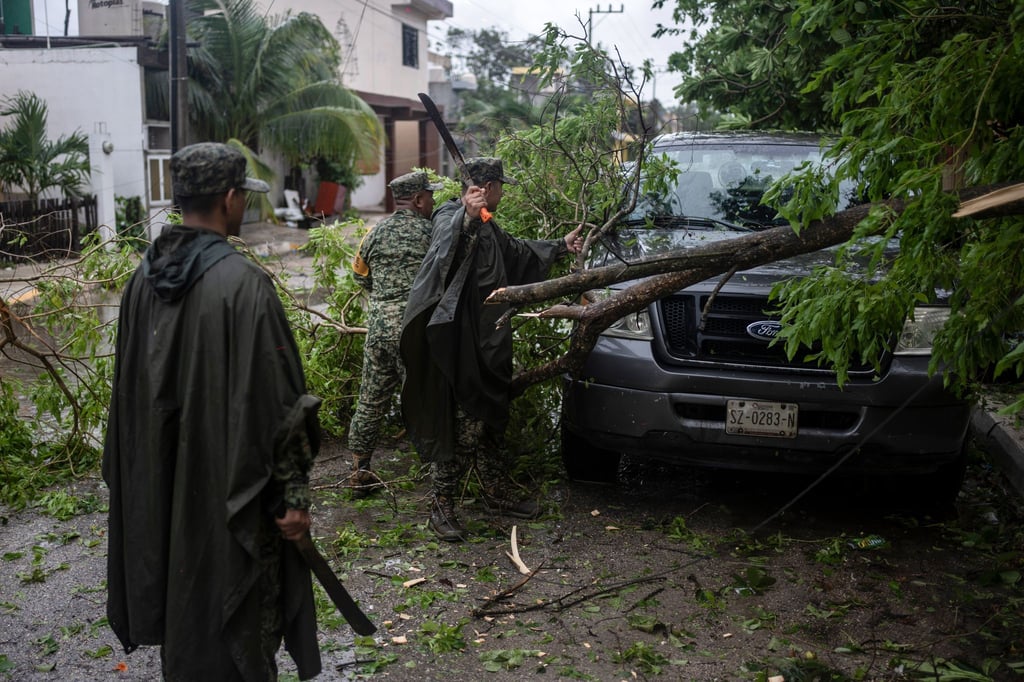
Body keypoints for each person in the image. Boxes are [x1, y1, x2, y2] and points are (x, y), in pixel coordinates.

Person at [103, 142, 322, 681]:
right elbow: (282, 408)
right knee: (242, 619)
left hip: (168, 490)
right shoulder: (244, 287)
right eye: (241, 199)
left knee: (189, 605)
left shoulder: (140, 282)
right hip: (233, 497)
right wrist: (292, 497)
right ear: (228, 199)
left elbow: (128, 400)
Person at [399, 157, 583, 542]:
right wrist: (464, 217)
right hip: (461, 341)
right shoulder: (453, 214)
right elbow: (445, 246)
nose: (503, 193)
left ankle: (494, 493)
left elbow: (516, 252)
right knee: (464, 424)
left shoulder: (486, 221)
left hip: (490, 340)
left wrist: (560, 247)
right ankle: (441, 504)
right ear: (488, 186)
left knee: (490, 417)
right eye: (500, 186)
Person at [347, 170, 443, 495]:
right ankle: (438, 479)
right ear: (418, 200)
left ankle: (360, 469)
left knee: (371, 399)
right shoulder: (431, 232)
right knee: (425, 400)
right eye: (430, 195)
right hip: (412, 331)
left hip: (378, 329)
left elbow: (359, 275)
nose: (433, 200)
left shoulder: (374, 232)